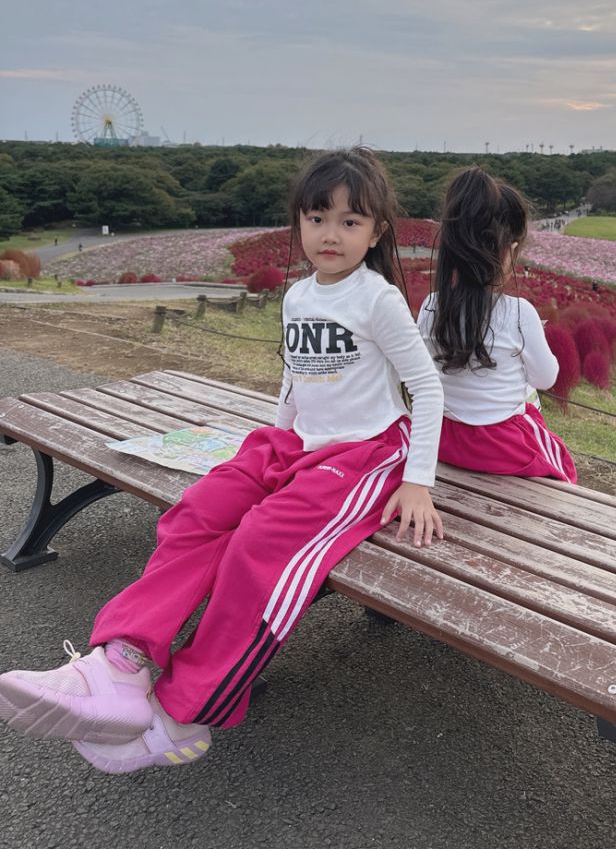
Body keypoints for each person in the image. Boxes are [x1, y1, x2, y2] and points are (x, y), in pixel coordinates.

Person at [0, 149, 444, 774]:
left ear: (377, 233)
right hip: (295, 445)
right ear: (298, 223)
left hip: (363, 453)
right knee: (197, 510)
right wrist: (270, 447)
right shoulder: (297, 296)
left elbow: (426, 388)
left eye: (351, 221)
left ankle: (183, 712)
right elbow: (296, 378)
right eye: (318, 218)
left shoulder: (379, 300)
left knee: (259, 547)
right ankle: (122, 663)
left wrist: (418, 482)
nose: (331, 234)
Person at [417, 167, 577, 484]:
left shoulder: (431, 305)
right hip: (501, 445)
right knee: (562, 466)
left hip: (444, 439)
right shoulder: (520, 313)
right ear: (511, 251)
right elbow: (547, 378)